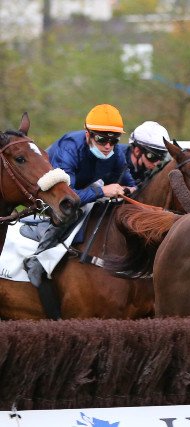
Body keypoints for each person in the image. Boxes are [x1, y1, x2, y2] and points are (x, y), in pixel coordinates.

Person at [23, 103, 136, 317]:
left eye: (114, 140)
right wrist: (102, 191)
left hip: (80, 192)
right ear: (87, 135)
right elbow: (67, 200)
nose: (108, 146)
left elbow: (131, 185)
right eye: (102, 139)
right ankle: (39, 258)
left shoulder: (116, 154)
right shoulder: (69, 148)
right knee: (71, 212)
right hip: (50, 195)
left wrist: (126, 190)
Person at [124, 121, 171, 185]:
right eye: (153, 157)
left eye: (162, 157)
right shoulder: (115, 159)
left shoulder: (146, 170)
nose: (156, 163)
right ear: (137, 151)